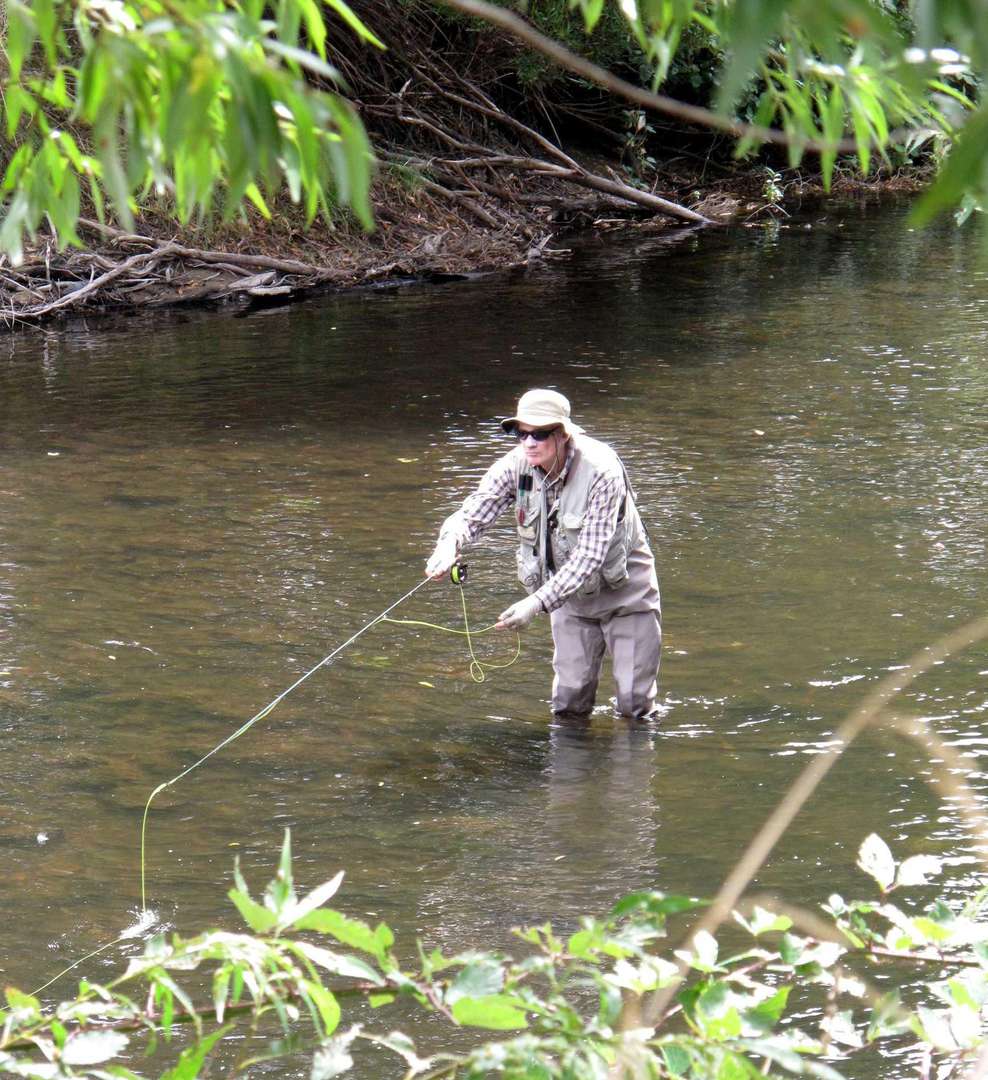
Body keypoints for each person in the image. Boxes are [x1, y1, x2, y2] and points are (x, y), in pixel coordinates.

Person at [425, 389, 661, 720]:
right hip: (568, 600)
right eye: (521, 433)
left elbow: (588, 558)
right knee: (569, 704)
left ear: (563, 434)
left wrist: (534, 604)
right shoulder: (514, 466)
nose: (529, 442)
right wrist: (449, 544)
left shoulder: (603, 470)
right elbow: (473, 512)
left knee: (635, 706)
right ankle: (571, 772)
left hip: (626, 595)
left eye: (539, 433)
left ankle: (633, 766)